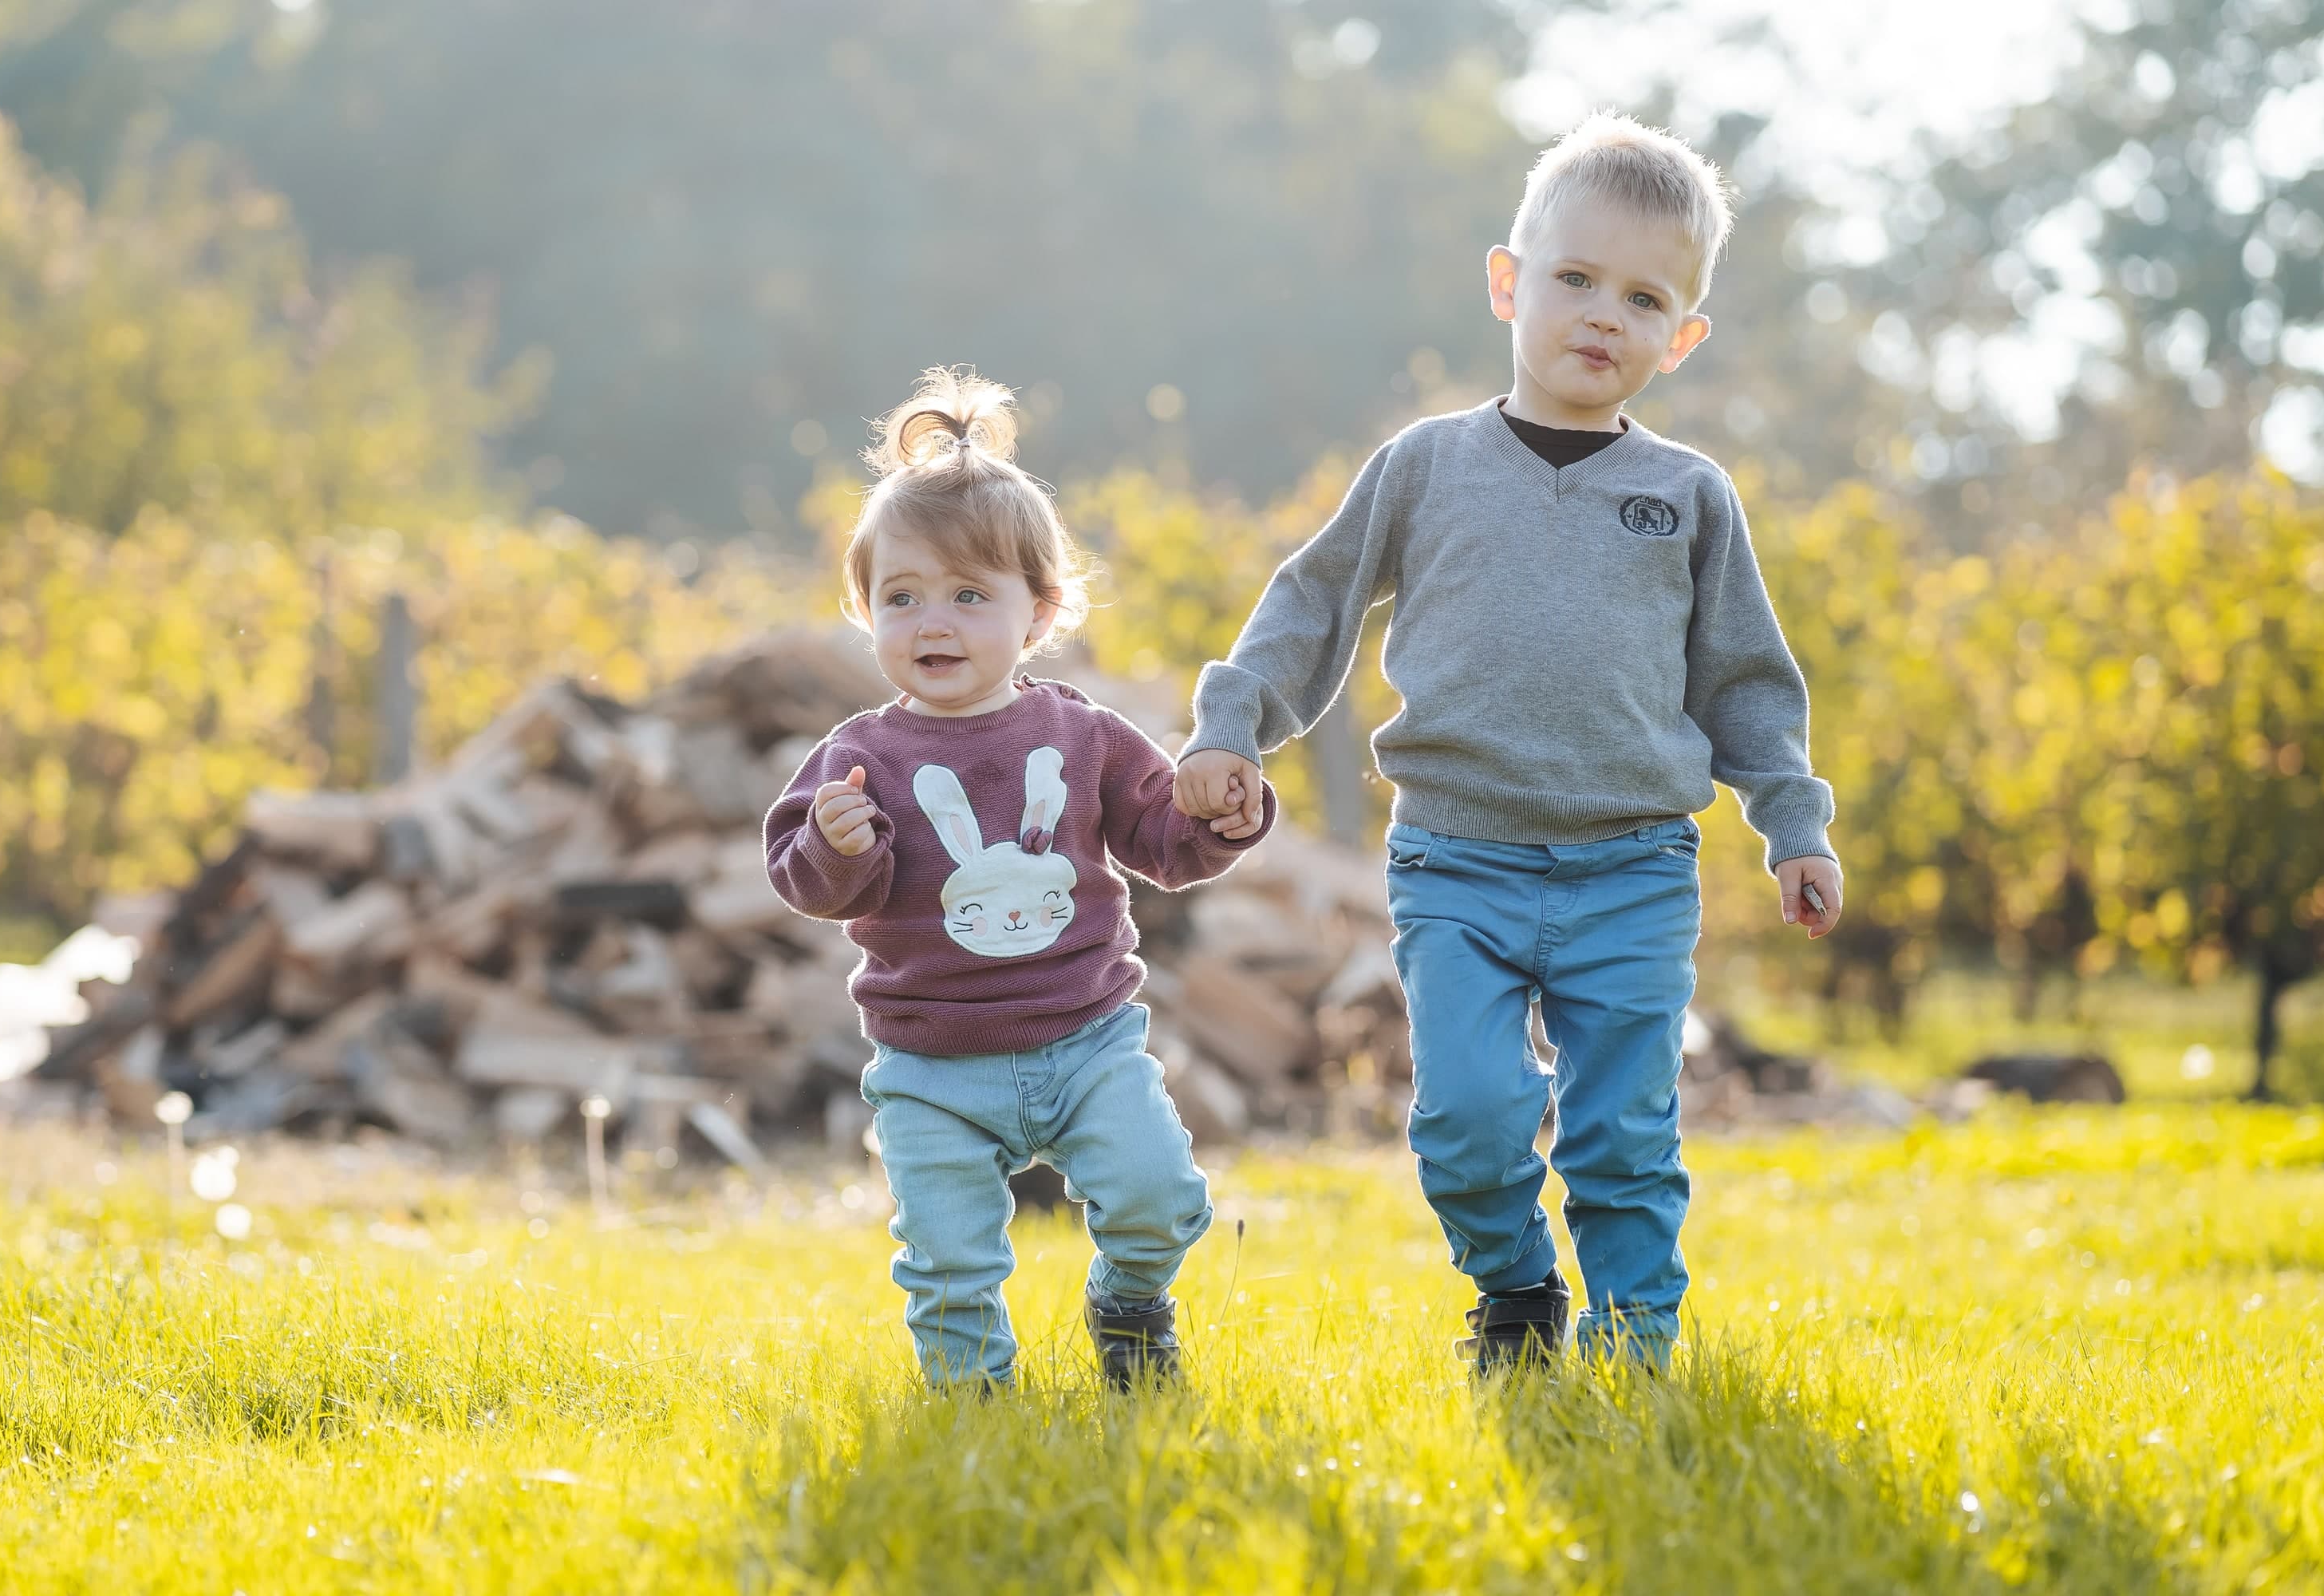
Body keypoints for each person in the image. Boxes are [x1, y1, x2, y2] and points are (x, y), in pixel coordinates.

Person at [1171, 113, 1847, 1372]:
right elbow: (1312, 603)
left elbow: (1748, 681)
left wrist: (1792, 822)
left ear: (1681, 338)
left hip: (1634, 867)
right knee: (1469, 1119)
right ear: (1507, 283)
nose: (1602, 314)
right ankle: (1517, 1287)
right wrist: (1234, 726)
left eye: (1642, 297)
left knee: (1621, 1132)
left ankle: (1637, 1338)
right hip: (1456, 863)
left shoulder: (1690, 496)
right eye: (1574, 278)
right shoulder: (1426, 467)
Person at [765, 367, 1272, 1393]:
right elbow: (806, 878)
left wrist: (1220, 816)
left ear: (1038, 613)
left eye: (967, 596)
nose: (933, 622)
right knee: (949, 1261)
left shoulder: (1078, 733)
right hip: (931, 1062)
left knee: (1162, 1197)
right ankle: (976, 1407)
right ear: (866, 610)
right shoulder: (860, 754)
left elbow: (1163, 842)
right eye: (902, 597)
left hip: (1087, 1038)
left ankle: (1131, 1301)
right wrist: (840, 841)